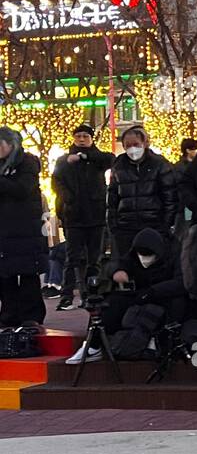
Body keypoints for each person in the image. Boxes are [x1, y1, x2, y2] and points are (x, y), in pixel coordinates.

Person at [65, 227, 189, 363]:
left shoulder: (175, 253)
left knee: (175, 303)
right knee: (110, 303)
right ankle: (94, 346)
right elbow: (118, 263)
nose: (144, 259)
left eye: (147, 255)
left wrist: (153, 291)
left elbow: (181, 283)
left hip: (165, 296)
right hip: (141, 294)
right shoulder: (134, 255)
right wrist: (118, 271)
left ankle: (159, 342)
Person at [51, 124, 113, 311]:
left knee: (95, 258)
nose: (82, 139)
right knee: (72, 258)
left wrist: (86, 156)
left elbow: (111, 160)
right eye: (78, 136)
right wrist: (67, 199)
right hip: (74, 216)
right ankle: (67, 296)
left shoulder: (98, 158)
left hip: (96, 215)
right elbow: (56, 181)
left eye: (85, 136)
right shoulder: (64, 161)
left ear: (91, 138)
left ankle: (92, 293)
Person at [0, 127, 47, 329]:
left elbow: (22, 189)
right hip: (4, 230)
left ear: (11, 144)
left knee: (28, 273)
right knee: (5, 275)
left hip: (25, 228)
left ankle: (31, 317)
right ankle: (9, 315)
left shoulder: (27, 162)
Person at [107, 127, 177, 260]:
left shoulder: (160, 164)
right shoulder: (119, 166)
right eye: (128, 146)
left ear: (144, 144)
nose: (132, 149)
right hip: (126, 228)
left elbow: (170, 198)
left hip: (153, 225)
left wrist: (165, 226)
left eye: (136, 144)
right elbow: (112, 199)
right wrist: (114, 226)